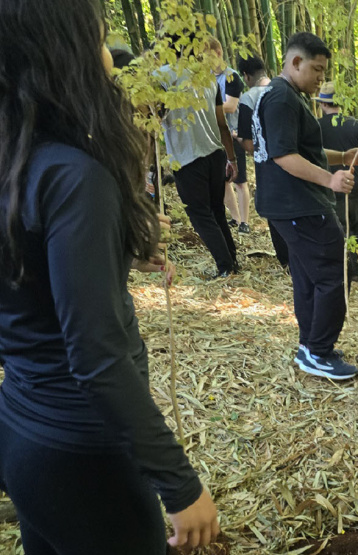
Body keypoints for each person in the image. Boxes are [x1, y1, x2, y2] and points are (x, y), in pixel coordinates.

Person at [0, 1, 219, 553]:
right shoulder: (72, 175)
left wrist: (108, 255)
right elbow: (95, 356)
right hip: (85, 457)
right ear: (65, 51)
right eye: (99, 37)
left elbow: (24, 279)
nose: (109, 56)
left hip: (21, 431)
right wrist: (179, 482)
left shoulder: (16, 159)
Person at [251, 33, 358, 380]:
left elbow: (303, 150)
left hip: (287, 206)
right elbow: (284, 157)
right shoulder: (282, 101)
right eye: (317, 69)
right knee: (337, 272)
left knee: (307, 278)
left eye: (324, 70)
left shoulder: (284, 96)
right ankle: (319, 352)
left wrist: (344, 157)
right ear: (296, 62)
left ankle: (310, 346)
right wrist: (330, 180)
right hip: (299, 205)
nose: (321, 77)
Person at [159, 35, 239, 278]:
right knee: (216, 210)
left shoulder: (161, 76)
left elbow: (155, 116)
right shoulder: (207, 78)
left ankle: (225, 266)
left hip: (187, 157)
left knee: (200, 214)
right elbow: (221, 122)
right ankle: (232, 262)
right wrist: (231, 158)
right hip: (215, 153)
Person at [316, 81, 358, 281]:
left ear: (322, 104)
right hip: (357, 185)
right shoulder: (356, 125)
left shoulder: (316, 127)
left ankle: (353, 272)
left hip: (333, 185)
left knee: (343, 227)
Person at [235, 54, 289, 268]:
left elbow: (248, 144)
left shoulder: (248, 99)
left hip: (267, 164)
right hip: (293, 159)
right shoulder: (282, 90)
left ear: (246, 76)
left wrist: (235, 136)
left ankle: (286, 260)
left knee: (274, 210)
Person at [210, 38, 251, 234]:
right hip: (216, 134)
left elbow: (231, 105)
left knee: (240, 181)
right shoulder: (207, 78)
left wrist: (203, 107)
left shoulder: (232, 77)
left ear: (218, 52)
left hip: (233, 134)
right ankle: (234, 217)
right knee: (223, 180)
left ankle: (245, 221)